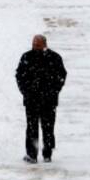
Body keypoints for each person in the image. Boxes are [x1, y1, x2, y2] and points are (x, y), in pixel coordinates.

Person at [15, 33, 67, 165]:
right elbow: (19, 75)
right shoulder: (26, 57)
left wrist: (54, 91)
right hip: (31, 100)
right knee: (32, 128)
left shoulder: (54, 58)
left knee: (48, 128)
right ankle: (32, 154)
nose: (35, 47)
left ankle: (47, 154)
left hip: (49, 101)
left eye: (37, 45)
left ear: (45, 44)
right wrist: (25, 91)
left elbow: (61, 76)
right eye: (33, 44)